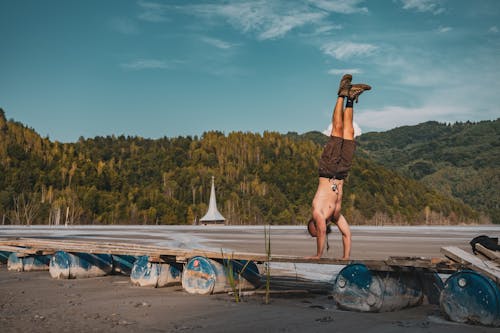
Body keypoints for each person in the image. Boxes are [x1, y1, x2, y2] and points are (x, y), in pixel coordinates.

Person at [305, 74, 371, 260]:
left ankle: (341, 94)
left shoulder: (318, 212)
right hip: (341, 173)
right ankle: (351, 98)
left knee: (338, 129)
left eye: (315, 231)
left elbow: (322, 233)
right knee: (349, 133)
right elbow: (347, 235)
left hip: (327, 170)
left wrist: (318, 255)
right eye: (317, 233)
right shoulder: (336, 216)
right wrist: (345, 259)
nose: (318, 231)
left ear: (313, 224)